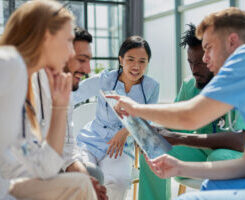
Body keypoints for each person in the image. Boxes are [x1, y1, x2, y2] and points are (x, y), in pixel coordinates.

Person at [108, 7, 245, 199]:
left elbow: (189, 117)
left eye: (209, 47)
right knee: (203, 189)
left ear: (232, 41)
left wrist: (135, 108)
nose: (204, 58)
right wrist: (180, 167)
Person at [138, 23, 245, 200]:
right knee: (154, 150)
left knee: (219, 157)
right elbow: (176, 126)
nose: (195, 70)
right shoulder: (191, 85)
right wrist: (153, 133)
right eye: (190, 62)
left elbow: (243, 141)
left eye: (201, 63)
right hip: (202, 152)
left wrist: (178, 138)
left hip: (238, 156)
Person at [0, 1, 97, 199]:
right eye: (69, 40)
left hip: (10, 183)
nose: (71, 52)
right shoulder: (9, 64)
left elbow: (44, 168)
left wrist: (59, 107)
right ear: (46, 37)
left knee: (80, 184)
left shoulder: (23, 78)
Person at [72, 35, 159, 200]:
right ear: (121, 60)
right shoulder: (106, 79)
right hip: (92, 139)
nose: (136, 66)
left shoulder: (151, 87)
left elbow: (148, 118)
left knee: (119, 181)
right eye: (130, 59)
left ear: (147, 63)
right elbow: (73, 95)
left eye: (142, 61)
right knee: (83, 173)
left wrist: (125, 132)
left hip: (120, 147)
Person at [33, 26, 107, 198]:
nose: (88, 69)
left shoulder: (65, 91)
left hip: (49, 168)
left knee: (93, 175)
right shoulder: (29, 87)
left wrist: (87, 183)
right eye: (82, 60)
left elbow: (68, 149)